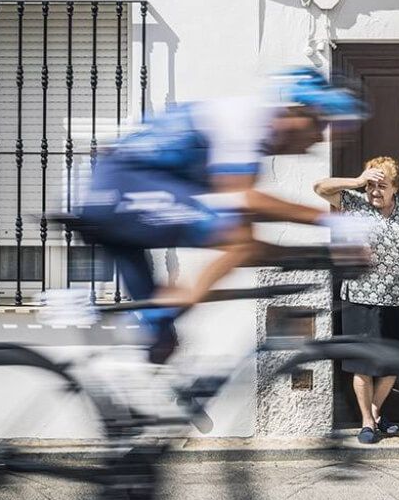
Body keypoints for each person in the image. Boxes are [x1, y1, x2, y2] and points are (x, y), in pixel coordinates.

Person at [76, 68, 367, 364]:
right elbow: (243, 203)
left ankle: (129, 398)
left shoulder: (255, 142)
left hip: (120, 195)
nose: (320, 138)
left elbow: (245, 228)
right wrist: (333, 220)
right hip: (122, 186)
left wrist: (312, 255)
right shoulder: (247, 120)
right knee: (236, 242)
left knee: (162, 341)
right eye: (320, 125)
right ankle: (172, 306)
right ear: (296, 113)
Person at [314, 156, 399, 444]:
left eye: (381, 186)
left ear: (395, 188)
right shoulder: (354, 202)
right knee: (363, 364)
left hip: (398, 298)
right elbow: (319, 188)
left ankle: (374, 413)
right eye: (371, 186)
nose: (374, 192)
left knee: (390, 364)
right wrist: (358, 181)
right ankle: (367, 423)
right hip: (360, 298)